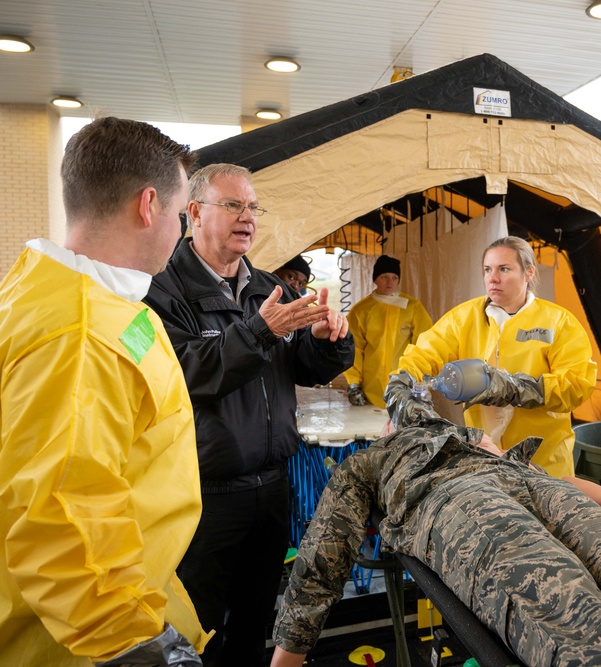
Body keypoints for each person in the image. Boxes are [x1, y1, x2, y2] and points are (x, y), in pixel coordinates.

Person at [269, 386, 601, 667]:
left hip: (493, 491)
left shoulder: (445, 442)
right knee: (588, 598)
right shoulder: (373, 461)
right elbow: (321, 566)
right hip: (475, 495)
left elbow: (545, 478)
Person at [0, 117, 209, 665]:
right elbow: (63, 512)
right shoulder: (78, 335)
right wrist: (133, 646)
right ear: (147, 206)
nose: (182, 232)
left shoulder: (75, 298)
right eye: (181, 213)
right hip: (76, 641)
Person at [144, 163, 356, 666]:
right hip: (205, 495)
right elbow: (186, 373)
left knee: (257, 618)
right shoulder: (161, 292)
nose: (248, 218)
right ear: (194, 213)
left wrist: (328, 344)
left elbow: (299, 366)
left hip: (270, 487)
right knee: (199, 626)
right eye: (233, 205)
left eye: (253, 207)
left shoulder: (266, 288)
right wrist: (260, 332)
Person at [390, 236, 597, 478]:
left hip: (543, 462)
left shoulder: (558, 323)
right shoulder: (464, 318)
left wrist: (514, 388)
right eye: (487, 269)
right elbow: (423, 354)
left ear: (529, 272)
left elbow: (577, 384)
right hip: (483, 457)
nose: (493, 278)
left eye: (504, 269)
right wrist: (401, 384)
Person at [344, 254, 432, 407]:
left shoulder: (413, 308)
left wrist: (422, 382)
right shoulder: (361, 311)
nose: (390, 282)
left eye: (394, 277)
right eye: (384, 277)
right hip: (371, 391)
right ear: (375, 279)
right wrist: (353, 384)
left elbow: (424, 347)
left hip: (405, 387)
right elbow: (354, 349)